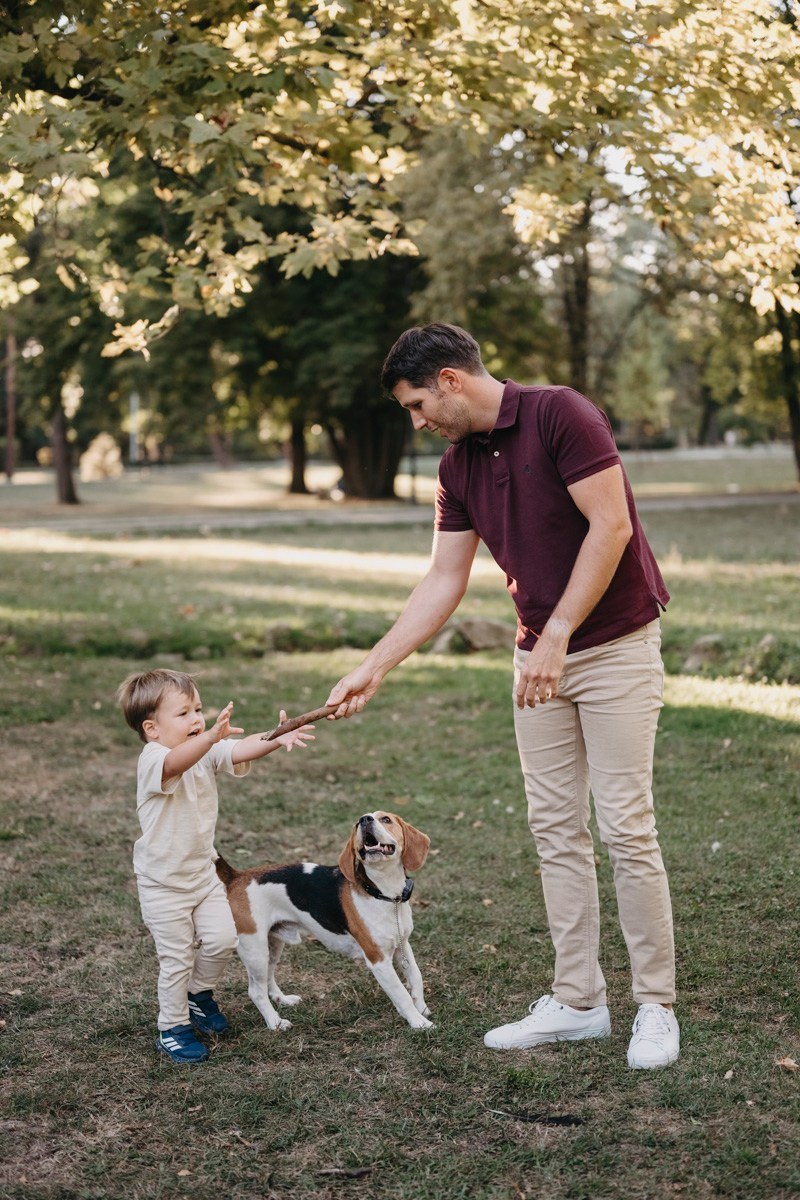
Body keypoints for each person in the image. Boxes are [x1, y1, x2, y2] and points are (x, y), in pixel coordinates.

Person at [326, 322, 679, 1070]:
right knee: (555, 831)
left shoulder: (561, 413)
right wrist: (376, 664)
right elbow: (444, 580)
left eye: (418, 404)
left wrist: (554, 636)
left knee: (624, 827)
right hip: (537, 663)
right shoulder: (457, 468)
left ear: (451, 381)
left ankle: (655, 1005)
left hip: (613, 647)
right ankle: (579, 1001)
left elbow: (610, 527)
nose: (417, 422)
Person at [117, 668, 315, 1063]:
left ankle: (197, 995)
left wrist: (276, 738)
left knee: (224, 939)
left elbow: (239, 749)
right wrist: (208, 737)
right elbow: (179, 762)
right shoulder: (154, 759)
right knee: (176, 959)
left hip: (203, 875)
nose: (196, 719)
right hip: (163, 884)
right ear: (152, 729)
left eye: (199, 709)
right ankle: (171, 1027)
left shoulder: (205, 748)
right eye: (184, 713)